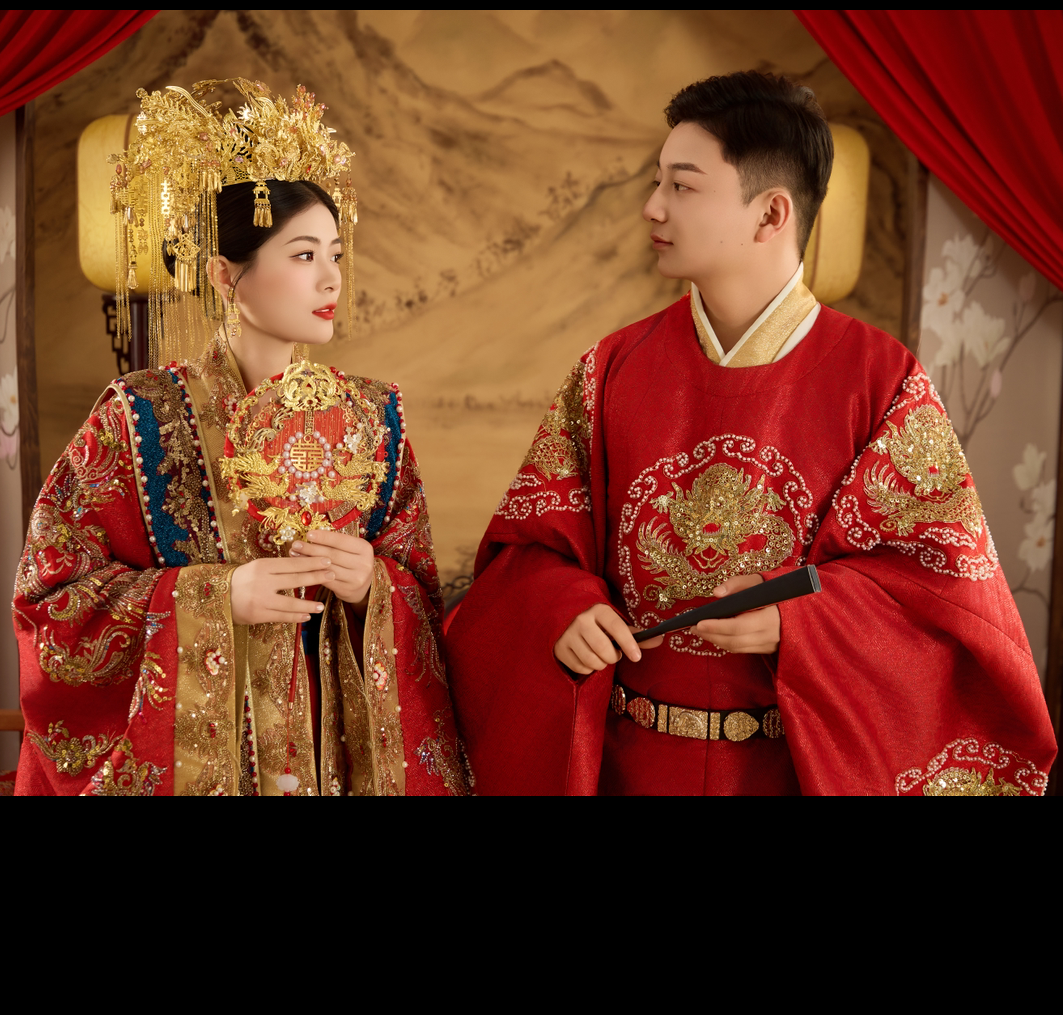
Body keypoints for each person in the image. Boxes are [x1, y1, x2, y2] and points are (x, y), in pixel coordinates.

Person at [446, 70, 1056, 798]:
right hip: (629, 765)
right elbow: (527, 550)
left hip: (791, 770)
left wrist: (805, 624)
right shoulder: (610, 369)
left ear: (771, 213)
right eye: (657, 182)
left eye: (682, 185)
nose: (652, 206)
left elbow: (942, 597)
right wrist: (561, 606)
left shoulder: (881, 380)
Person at [14, 80, 466, 797]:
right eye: (303, 255)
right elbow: (53, 598)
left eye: (336, 253)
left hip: (332, 763)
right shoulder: (137, 416)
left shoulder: (371, 416)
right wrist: (211, 599)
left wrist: (371, 587)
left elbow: (418, 584)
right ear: (226, 276)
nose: (332, 279)